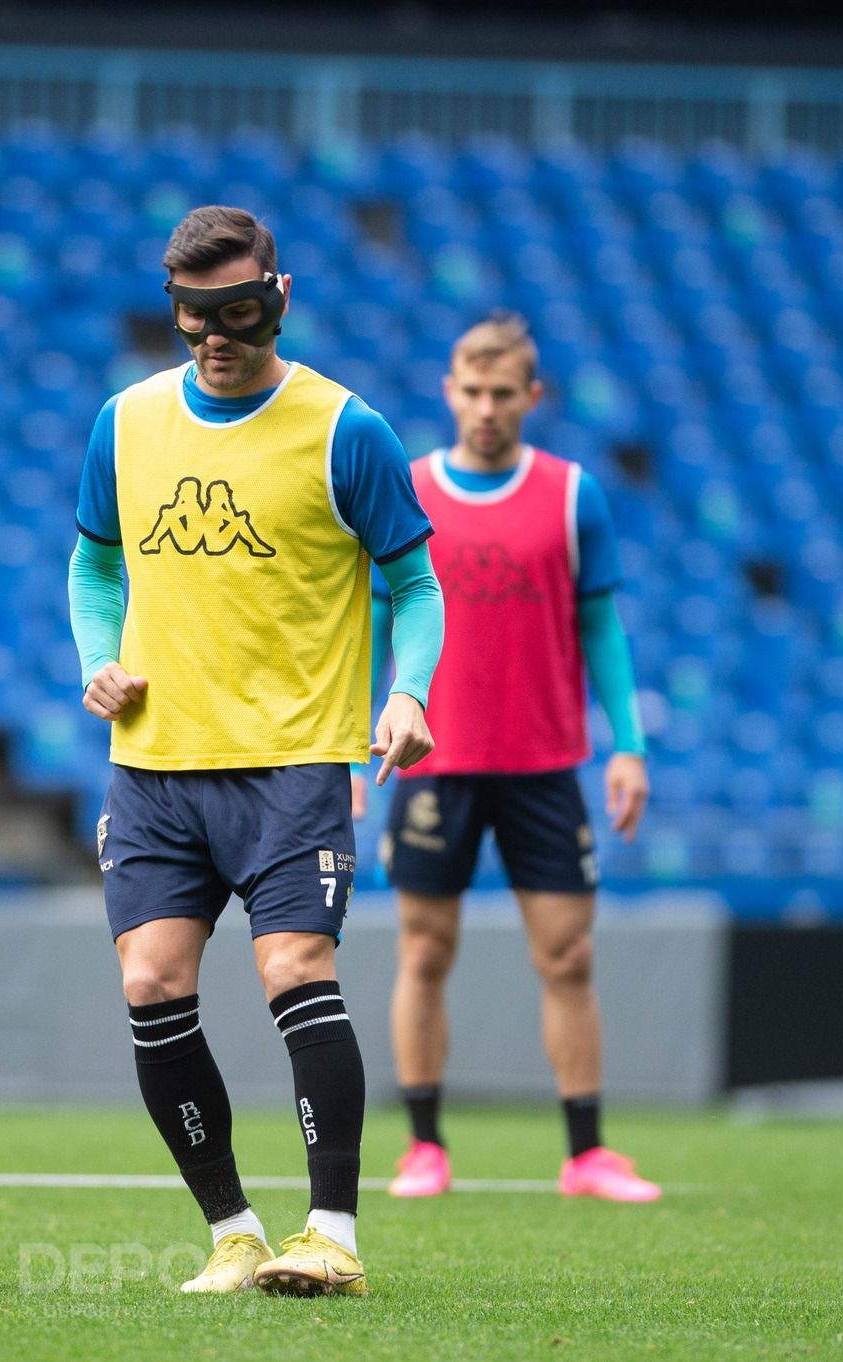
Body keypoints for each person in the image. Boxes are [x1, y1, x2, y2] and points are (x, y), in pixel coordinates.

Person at [68, 206, 445, 1297]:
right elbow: (93, 565)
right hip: (152, 761)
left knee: (291, 968)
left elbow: (412, 581)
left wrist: (406, 692)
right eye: (193, 317)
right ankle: (233, 1232)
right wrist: (97, 657)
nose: (215, 337)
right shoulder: (125, 423)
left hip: (290, 761)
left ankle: (331, 1232)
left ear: (276, 297)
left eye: (236, 312)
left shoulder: (344, 429)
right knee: (149, 980)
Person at [358, 313, 657, 1203]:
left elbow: (600, 623)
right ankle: (423, 1147)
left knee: (567, 956)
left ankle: (586, 1154)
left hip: (543, 763)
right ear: (449, 391)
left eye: (503, 393)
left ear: (533, 397)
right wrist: (351, 736)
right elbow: (375, 619)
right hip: (432, 759)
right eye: (471, 391)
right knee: (424, 949)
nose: (486, 408)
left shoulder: (572, 496)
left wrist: (629, 746)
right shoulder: (408, 488)